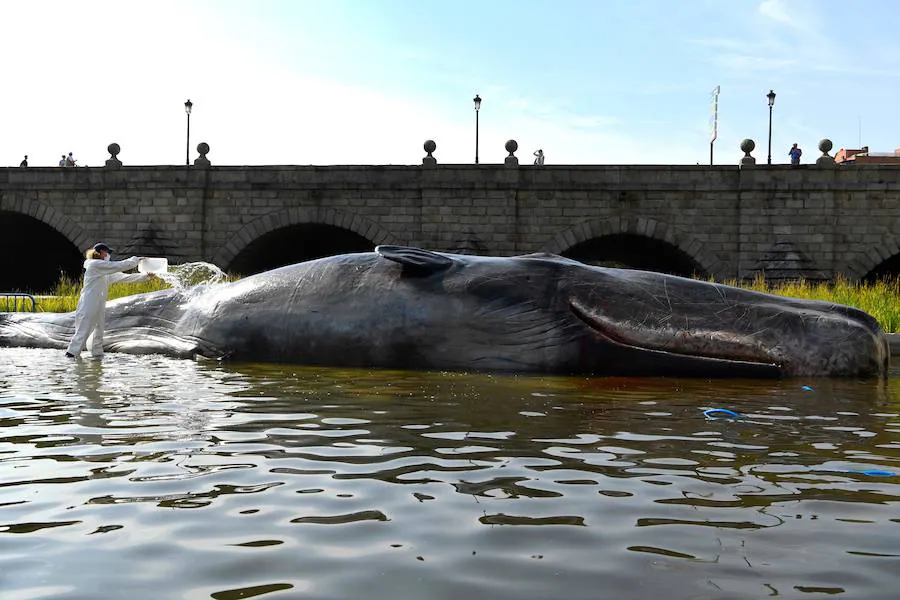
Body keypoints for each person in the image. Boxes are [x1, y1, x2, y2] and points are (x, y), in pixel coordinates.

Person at [65, 243, 153, 358]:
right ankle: (70, 356)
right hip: (89, 304)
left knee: (98, 332)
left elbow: (124, 277)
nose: (108, 255)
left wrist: (146, 276)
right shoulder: (95, 265)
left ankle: (97, 357)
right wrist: (135, 260)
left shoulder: (104, 271)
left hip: (98, 304)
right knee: (83, 330)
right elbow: (119, 266)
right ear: (100, 253)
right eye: (107, 252)